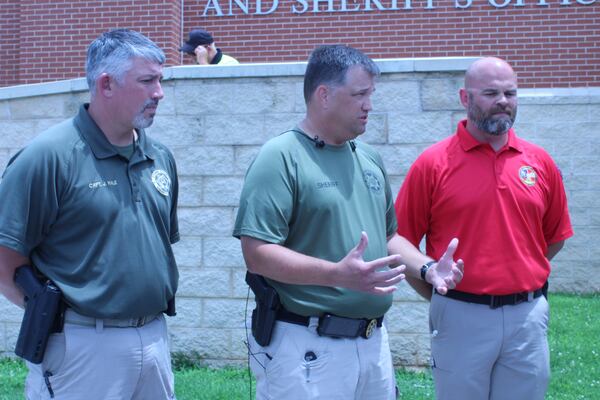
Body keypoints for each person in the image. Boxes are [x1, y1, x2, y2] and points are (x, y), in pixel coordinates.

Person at [233, 44, 464, 400]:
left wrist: (428, 268)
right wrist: (335, 274)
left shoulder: (368, 159)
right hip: (307, 347)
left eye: (370, 94)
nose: (369, 105)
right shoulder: (280, 158)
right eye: (359, 94)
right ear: (323, 95)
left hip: (372, 345)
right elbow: (257, 253)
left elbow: (389, 238)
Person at [0, 29, 179, 399]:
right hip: (82, 350)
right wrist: (62, 321)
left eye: (160, 80)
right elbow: (5, 259)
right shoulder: (48, 157)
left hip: (155, 340)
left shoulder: (159, 157)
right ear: (106, 84)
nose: (158, 93)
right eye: (147, 81)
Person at [394, 57, 573, 400]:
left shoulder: (540, 162)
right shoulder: (433, 163)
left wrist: (517, 274)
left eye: (510, 93)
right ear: (465, 98)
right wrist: (436, 284)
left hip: (527, 318)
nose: (503, 100)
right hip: (460, 316)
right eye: (490, 93)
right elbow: (400, 239)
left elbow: (551, 239)